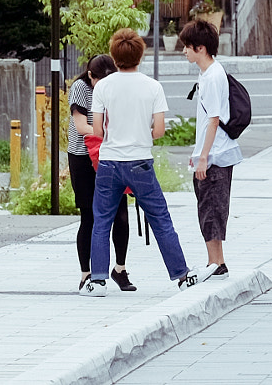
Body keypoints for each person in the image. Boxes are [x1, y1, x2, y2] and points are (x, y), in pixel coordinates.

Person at [81, 28, 200, 295]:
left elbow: (98, 131)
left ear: (113, 56)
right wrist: (138, 134)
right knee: (160, 219)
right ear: (140, 54)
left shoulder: (102, 87)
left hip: (110, 162)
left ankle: (98, 280)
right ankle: (182, 275)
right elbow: (159, 131)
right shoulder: (152, 86)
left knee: (101, 220)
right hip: (140, 162)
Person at [177, 18, 239, 282]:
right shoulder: (207, 74)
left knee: (212, 208)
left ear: (200, 48)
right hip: (211, 154)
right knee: (207, 207)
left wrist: (203, 157)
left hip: (215, 155)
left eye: (187, 47)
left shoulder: (213, 76)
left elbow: (214, 119)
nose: (184, 51)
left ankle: (216, 263)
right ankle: (216, 262)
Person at [67, 54, 133, 292]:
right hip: (83, 157)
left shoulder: (115, 85)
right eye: (100, 81)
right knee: (89, 215)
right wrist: (114, 133)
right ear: (90, 75)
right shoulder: (80, 88)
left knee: (120, 214)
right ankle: (87, 273)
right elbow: (82, 126)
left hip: (111, 154)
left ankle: (120, 269)